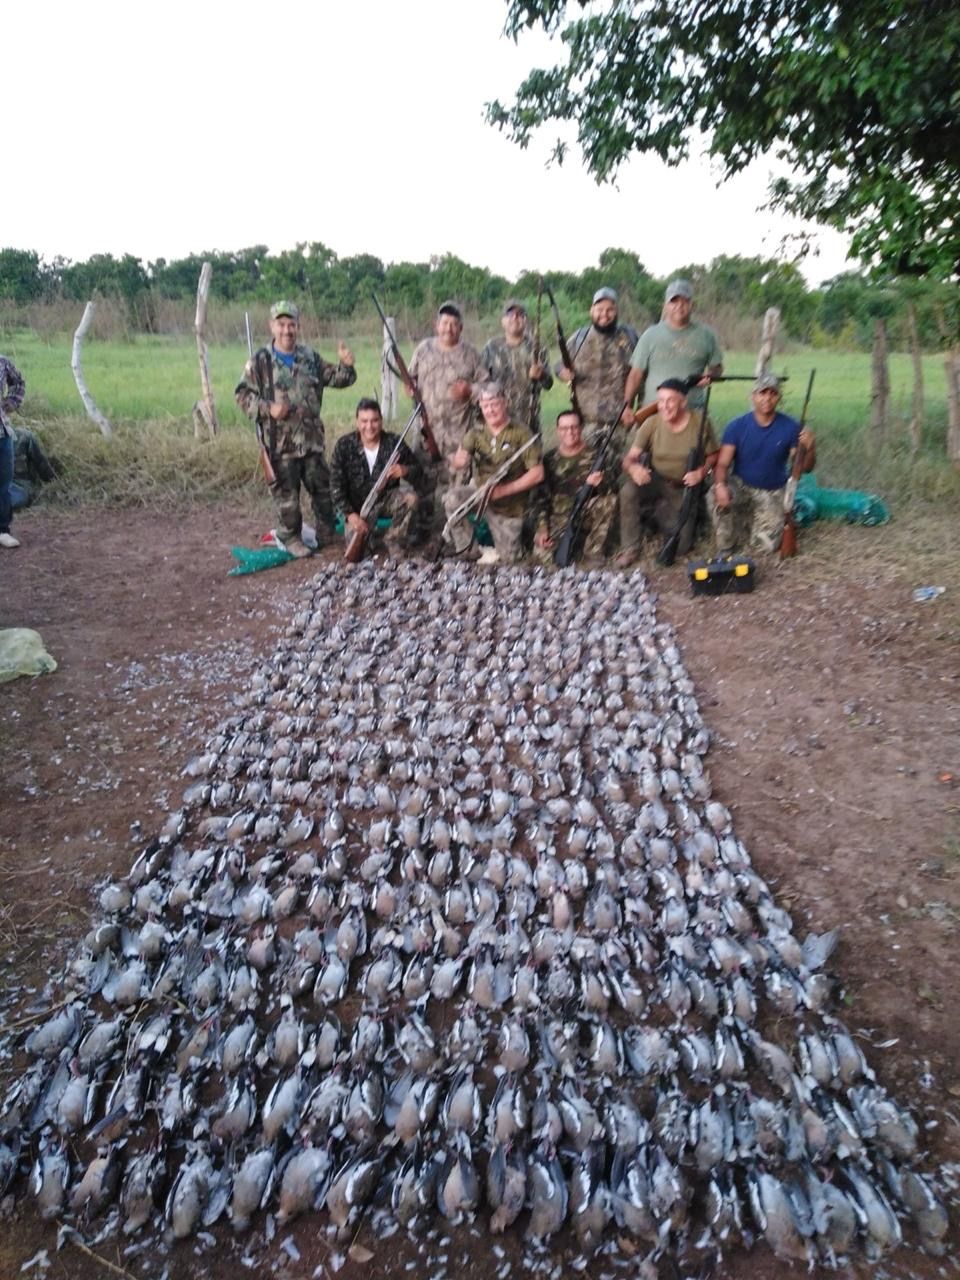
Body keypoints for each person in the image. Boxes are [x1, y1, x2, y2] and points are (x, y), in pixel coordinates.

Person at [235, 300, 356, 557]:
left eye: (291, 324)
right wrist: (268, 407)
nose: (287, 330)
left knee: (323, 491)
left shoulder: (309, 357)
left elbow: (338, 379)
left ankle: (327, 531)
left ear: (298, 326)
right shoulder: (260, 361)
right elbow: (242, 396)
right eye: (281, 324)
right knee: (287, 497)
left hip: (311, 442)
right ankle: (291, 537)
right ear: (272, 326)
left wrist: (346, 365)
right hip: (281, 445)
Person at [617, 378, 720, 567]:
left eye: (670, 400)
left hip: (683, 486)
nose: (664, 406)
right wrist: (634, 468)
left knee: (681, 547)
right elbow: (629, 459)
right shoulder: (651, 423)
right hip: (655, 479)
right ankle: (630, 548)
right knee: (627, 491)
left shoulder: (700, 422)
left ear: (683, 402)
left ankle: (656, 516)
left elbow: (714, 456)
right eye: (661, 401)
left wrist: (702, 472)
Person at [709, 373, 816, 554]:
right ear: (753, 396)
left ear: (778, 398)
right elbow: (722, 465)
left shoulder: (790, 427)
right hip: (741, 485)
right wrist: (720, 485)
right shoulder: (736, 426)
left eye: (772, 393)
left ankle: (765, 522)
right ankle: (726, 545)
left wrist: (811, 448)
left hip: (772, 491)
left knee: (763, 547)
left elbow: (805, 467)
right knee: (714, 494)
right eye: (762, 393)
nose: (767, 398)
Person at [407, 301, 489, 531]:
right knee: (423, 482)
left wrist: (470, 391)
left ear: (461, 328)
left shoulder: (471, 354)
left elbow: (487, 388)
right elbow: (411, 377)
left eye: (454, 324)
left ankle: (456, 531)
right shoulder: (423, 349)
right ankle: (422, 529)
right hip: (426, 431)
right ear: (436, 325)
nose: (449, 328)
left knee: (457, 484)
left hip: (458, 433)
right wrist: (409, 386)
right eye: (445, 323)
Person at [444, 383, 544, 565]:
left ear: (504, 403)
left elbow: (537, 474)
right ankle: (468, 550)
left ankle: (526, 533)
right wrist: (458, 461)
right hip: (481, 494)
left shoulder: (522, 433)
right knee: (452, 499)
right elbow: (462, 456)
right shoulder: (476, 433)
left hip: (508, 506)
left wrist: (504, 490)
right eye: (485, 405)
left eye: (494, 404)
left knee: (509, 560)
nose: (490, 410)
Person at [330, 398, 424, 557]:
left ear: (381, 421)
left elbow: (418, 471)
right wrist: (351, 515)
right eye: (364, 421)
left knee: (411, 498)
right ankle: (369, 537)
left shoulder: (394, 443)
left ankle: (394, 540)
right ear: (357, 422)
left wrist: (405, 470)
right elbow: (335, 486)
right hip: (358, 508)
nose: (369, 426)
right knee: (360, 554)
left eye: (374, 421)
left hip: (386, 499)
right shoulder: (344, 446)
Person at [555, 287, 637, 449]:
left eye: (610, 310)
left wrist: (635, 411)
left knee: (611, 469)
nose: (604, 314)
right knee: (587, 469)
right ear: (591, 310)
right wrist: (563, 373)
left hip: (617, 422)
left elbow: (639, 374)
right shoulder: (580, 337)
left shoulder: (629, 338)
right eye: (599, 309)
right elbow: (558, 365)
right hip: (586, 422)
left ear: (617, 311)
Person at [626, 279, 723, 413]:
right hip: (655, 412)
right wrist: (627, 407)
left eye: (685, 301)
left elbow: (717, 368)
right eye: (674, 301)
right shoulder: (650, 335)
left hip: (692, 410)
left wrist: (710, 376)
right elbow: (635, 375)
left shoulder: (707, 335)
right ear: (665, 306)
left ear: (692, 305)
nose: (679, 306)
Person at [533, 409, 617, 565]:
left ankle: (593, 552)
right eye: (564, 428)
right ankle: (574, 544)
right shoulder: (549, 459)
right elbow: (541, 498)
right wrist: (542, 528)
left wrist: (601, 483)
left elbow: (612, 490)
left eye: (574, 427)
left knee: (609, 501)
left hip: (587, 513)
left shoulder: (596, 456)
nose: (570, 432)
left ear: (581, 428)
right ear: (558, 430)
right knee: (543, 556)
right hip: (559, 518)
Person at [480, 299, 552, 431]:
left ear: (525, 320)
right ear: (503, 321)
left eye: (520, 314)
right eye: (510, 315)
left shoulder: (538, 347)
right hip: (499, 422)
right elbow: (481, 384)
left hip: (530, 420)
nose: (515, 318)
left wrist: (541, 374)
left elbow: (548, 384)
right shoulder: (491, 348)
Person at [0, 354, 26, 549]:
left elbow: (18, 382)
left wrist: (10, 403)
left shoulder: (2, 362)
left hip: (2, 434)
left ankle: (2, 531)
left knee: (4, 483)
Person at [10, 427, 61, 510]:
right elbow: (42, 466)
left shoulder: (23, 437)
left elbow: (42, 465)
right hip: (15, 490)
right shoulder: (24, 436)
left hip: (18, 488)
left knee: (17, 498)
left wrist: (55, 481)